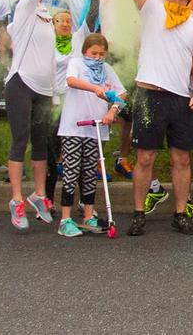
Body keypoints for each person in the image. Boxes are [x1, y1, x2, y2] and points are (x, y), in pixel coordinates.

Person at [116, 0, 193, 236]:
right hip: (149, 95)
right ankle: (139, 212)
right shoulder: (152, 10)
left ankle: (181, 215)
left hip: (180, 100)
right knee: (144, 158)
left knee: (182, 159)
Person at [4, 0, 76, 231]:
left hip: (45, 89)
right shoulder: (23, 11)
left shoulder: (48, 17)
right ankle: (17, 199)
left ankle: (39, 194)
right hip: (21, 83)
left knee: (42, 145)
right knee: (20, 141)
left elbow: (57, 59)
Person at [58, 33, 123, 236]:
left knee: (89, 174)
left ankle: (88, 215)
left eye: (101, 54)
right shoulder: (76, 63)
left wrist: (113, 110)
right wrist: (95, 88)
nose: (97, 57)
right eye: (93, 53)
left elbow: (121, 93)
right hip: (74, 128)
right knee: (71, 171)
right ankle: (65, 219)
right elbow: (70, 81)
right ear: (85, 51)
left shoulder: (107, 70)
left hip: (95, 129)